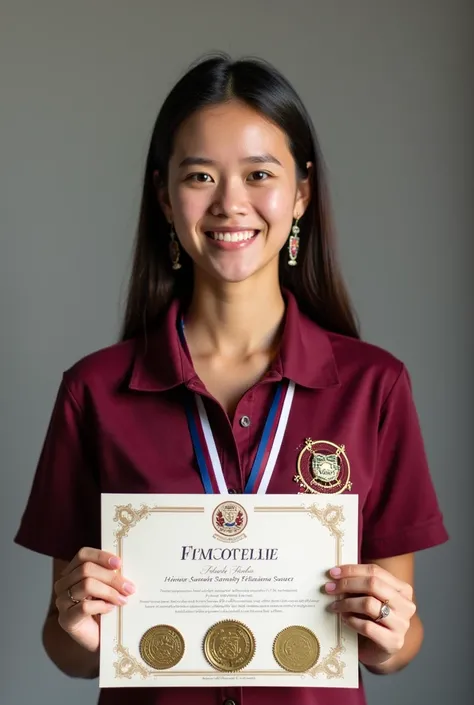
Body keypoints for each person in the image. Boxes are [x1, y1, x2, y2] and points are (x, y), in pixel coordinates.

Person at [14, 53, 448, 705]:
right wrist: (77, 627)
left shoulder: (374, 386)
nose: (230, 204)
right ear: (164, 196)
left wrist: (391, 634)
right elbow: (67, 648)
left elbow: (399, 644)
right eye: (200, 176)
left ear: (301, 192)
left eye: (259, 175)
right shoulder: (94, 392)